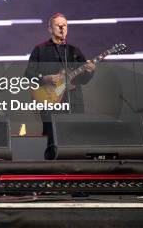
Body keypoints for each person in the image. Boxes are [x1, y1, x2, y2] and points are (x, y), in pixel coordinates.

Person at [24, 12, 95, 159]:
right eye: (58, 25)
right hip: (50, 102)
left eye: (65, 25)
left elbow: (83, 80)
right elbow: (29, 75)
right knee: (52, 140)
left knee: (76, 138)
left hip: (73, 102)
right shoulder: (40, 49)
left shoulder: (74, 51)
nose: (62, 27)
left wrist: (90, 71)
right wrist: (46, 79)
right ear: (50, 29)